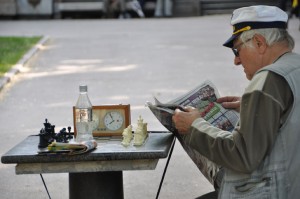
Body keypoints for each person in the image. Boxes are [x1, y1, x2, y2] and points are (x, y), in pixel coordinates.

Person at [172, 5, 300, 199]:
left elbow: (242, 155)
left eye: (237, 50)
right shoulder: (294, 66)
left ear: (259, 43)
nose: (236, 61)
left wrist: (194, 126)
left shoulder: (268, 80)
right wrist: (253, 108)